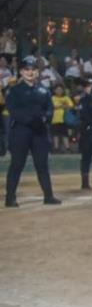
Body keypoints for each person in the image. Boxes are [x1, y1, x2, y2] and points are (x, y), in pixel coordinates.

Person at [4, 55, 60, 207]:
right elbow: (13, 110)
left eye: (33, 69)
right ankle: (10, 198)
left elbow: (50, 108)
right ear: (21, 72)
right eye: (26, 69)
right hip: (21, 131)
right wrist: (30, 120)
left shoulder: (43, 90)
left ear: (37, 72)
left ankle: (48, 196)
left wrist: (44, 119)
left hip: (39, 132)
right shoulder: (14, 90)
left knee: (42, 165)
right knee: (17, 165)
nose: (30, 72)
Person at [75, 78, 92, 190]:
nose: (90, 88)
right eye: (88, 86)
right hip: (86, 132)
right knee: (86, 157)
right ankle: (85, 182)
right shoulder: (83, 101)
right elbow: (83, 117)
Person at [49, 83, 73, 153]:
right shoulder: (52, 98)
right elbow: (52, 106)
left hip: (64, 119)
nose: (59, 91)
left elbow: (71, 105)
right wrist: (63, 106)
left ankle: (67, 148)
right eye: (57, 89)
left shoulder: (66, 97)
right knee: (55, 134)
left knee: (65, 134)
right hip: (55, 119)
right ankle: (56, 148)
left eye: (60, 89)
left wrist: (60, 106)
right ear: (54, 90)